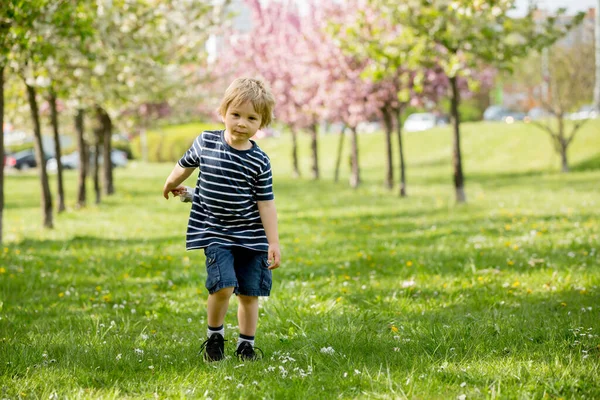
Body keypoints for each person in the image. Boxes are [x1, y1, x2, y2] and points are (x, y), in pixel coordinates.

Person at [162, 78, 281, 361]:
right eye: (236, 114)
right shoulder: (206, 142)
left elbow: (265, 203)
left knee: (250, 293)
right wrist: (170, 183)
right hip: (215, 232)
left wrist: (273, 242)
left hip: (251, 237)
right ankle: (215, 338)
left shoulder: (259, 161)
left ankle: (246, 345)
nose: (241, 123)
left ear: (261, 123)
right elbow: (185, 165)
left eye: (251, 118)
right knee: (223, 285)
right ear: (224, 111)